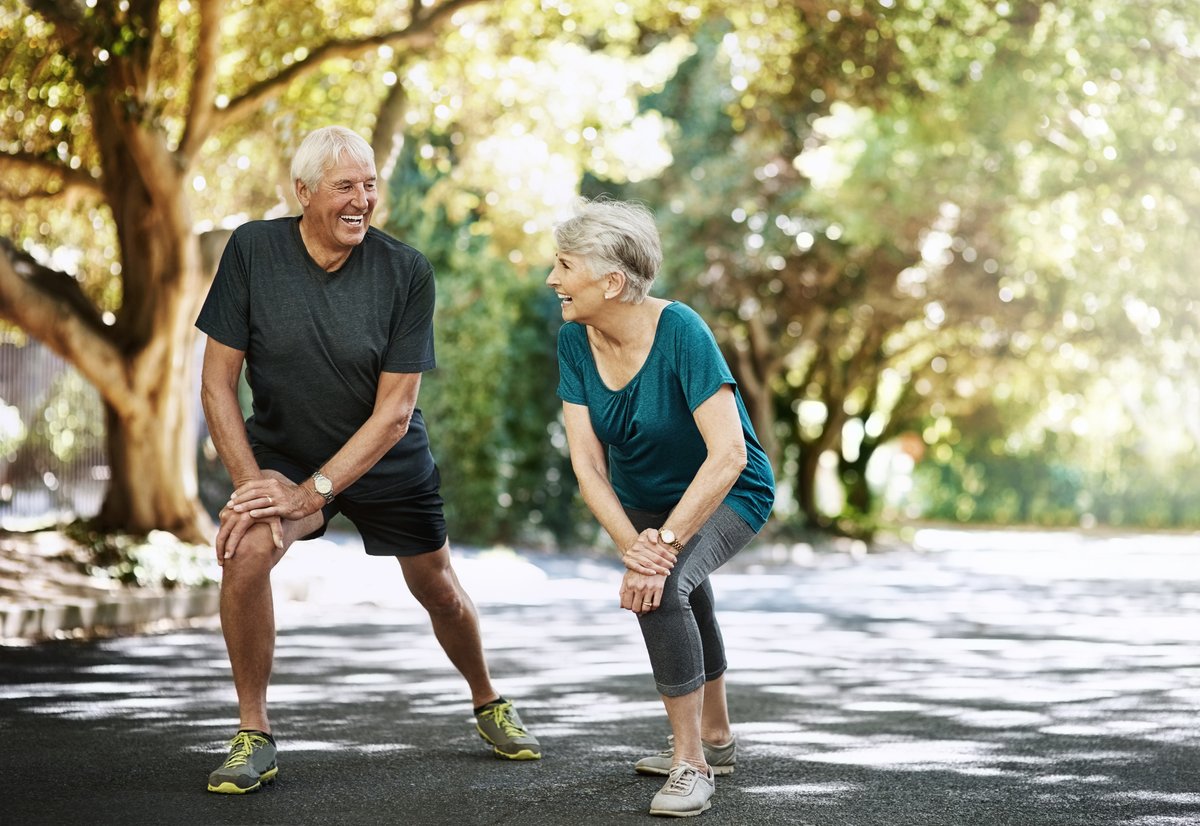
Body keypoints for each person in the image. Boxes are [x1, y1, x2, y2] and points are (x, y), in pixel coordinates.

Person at [195, 125, 540, 795]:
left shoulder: (405, 271)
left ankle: (486, 697)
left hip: (385, 457)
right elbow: (216, 384)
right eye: (344, 186)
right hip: (286, 453)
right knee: (245, 551)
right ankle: (253, 732)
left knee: (438, 586)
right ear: (301, 193)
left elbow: (394, 414)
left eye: (370, 184)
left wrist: (316, 491)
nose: (362, 200)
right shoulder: (252, 250)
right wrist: (252, 488)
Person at [546, 198, 775, 817]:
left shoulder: (681, 332)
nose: (553, 279)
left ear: (612, 281)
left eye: (564, 265)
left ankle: (690, 763)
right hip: (648, 507)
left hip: (730, 489)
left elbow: (728, 456)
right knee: (679, 586)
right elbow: (588, 465)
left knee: (665, 586)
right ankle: (717, 740)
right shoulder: (575, 340)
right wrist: (632, 543)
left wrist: (660, 552)